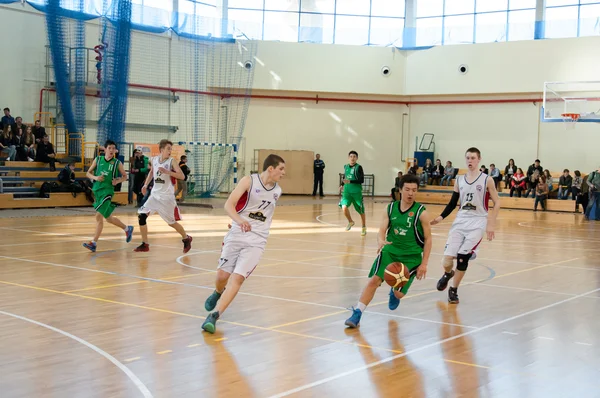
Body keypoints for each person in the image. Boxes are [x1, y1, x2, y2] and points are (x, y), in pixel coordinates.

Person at [201, 154, 285, 334]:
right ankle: (217, 292)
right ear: (271, 168)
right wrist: (239, 221)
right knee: (222, 275)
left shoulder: (277, 191)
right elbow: (229, 205)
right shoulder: (248, 181)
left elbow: (265, 217)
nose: (283, 173)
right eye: (281, 169)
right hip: (237, 232)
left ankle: (214, 316)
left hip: (257, 240)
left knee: (237, 278)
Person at [345, 174, 432, 328]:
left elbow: (428, 239)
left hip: (411, 257)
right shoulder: (390, 208)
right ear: (400, 190)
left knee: (399, 293)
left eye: (414, 190)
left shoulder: (421, 213)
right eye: (407, 189)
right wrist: (380, 239)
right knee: (374, 281)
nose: (411, 193)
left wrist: (424, 264)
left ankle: (394, 292)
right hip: (390, 251)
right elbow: (382, 230)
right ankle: (357, 313)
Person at [431, 147, 501, 304]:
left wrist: (491, 223)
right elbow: (452, 203)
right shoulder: (459, 180)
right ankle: (448, 273)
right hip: (460, 221)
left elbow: (497, 202)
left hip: (478, 221)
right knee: (447, 260)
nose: (470, 160)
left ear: (479, 160)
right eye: (468, 158)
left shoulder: (487, 180)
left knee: (462, 258)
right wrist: (440, 217)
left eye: (473, 158)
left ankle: (453, 289)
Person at [134, 139, 192, 253]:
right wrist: (145, 184)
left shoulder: (172, 162)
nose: (170, 151)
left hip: (167, 199)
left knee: (171, 223)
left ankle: (186, 238)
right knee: (141, 215)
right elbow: (151, 172)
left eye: (171, 149)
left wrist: (168, 172)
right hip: (155, 196)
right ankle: (145, 244)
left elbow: (182, 176)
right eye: (168, 149)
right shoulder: (154, 160)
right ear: (161, 150)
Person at [83, 140, 133, 252]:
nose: (111, 150)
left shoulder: (117, 163)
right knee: (109, 218)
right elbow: (88, 173)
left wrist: (118, 181)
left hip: (108, 192)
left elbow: (125, 176)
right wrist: (96, 178)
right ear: (105, 149)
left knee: (98, 216)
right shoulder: (98, 159)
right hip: (98, 191)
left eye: (113, 148)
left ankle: (93, 243)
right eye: (109, 148)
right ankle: (127, 228)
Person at [339, 150, 366, 236]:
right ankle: (350, 221)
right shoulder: (346, 166)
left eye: (354, 156)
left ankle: (364, 227)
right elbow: (345, 176)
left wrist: (350, 181)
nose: (352, 158)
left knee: (360, 210)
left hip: (356, 192)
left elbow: (361, 180)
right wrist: (342, 184)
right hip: (347, 191)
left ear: (357, 158)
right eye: (351, 156)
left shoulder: (359, 167)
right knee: (344, 207)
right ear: (348, 158)